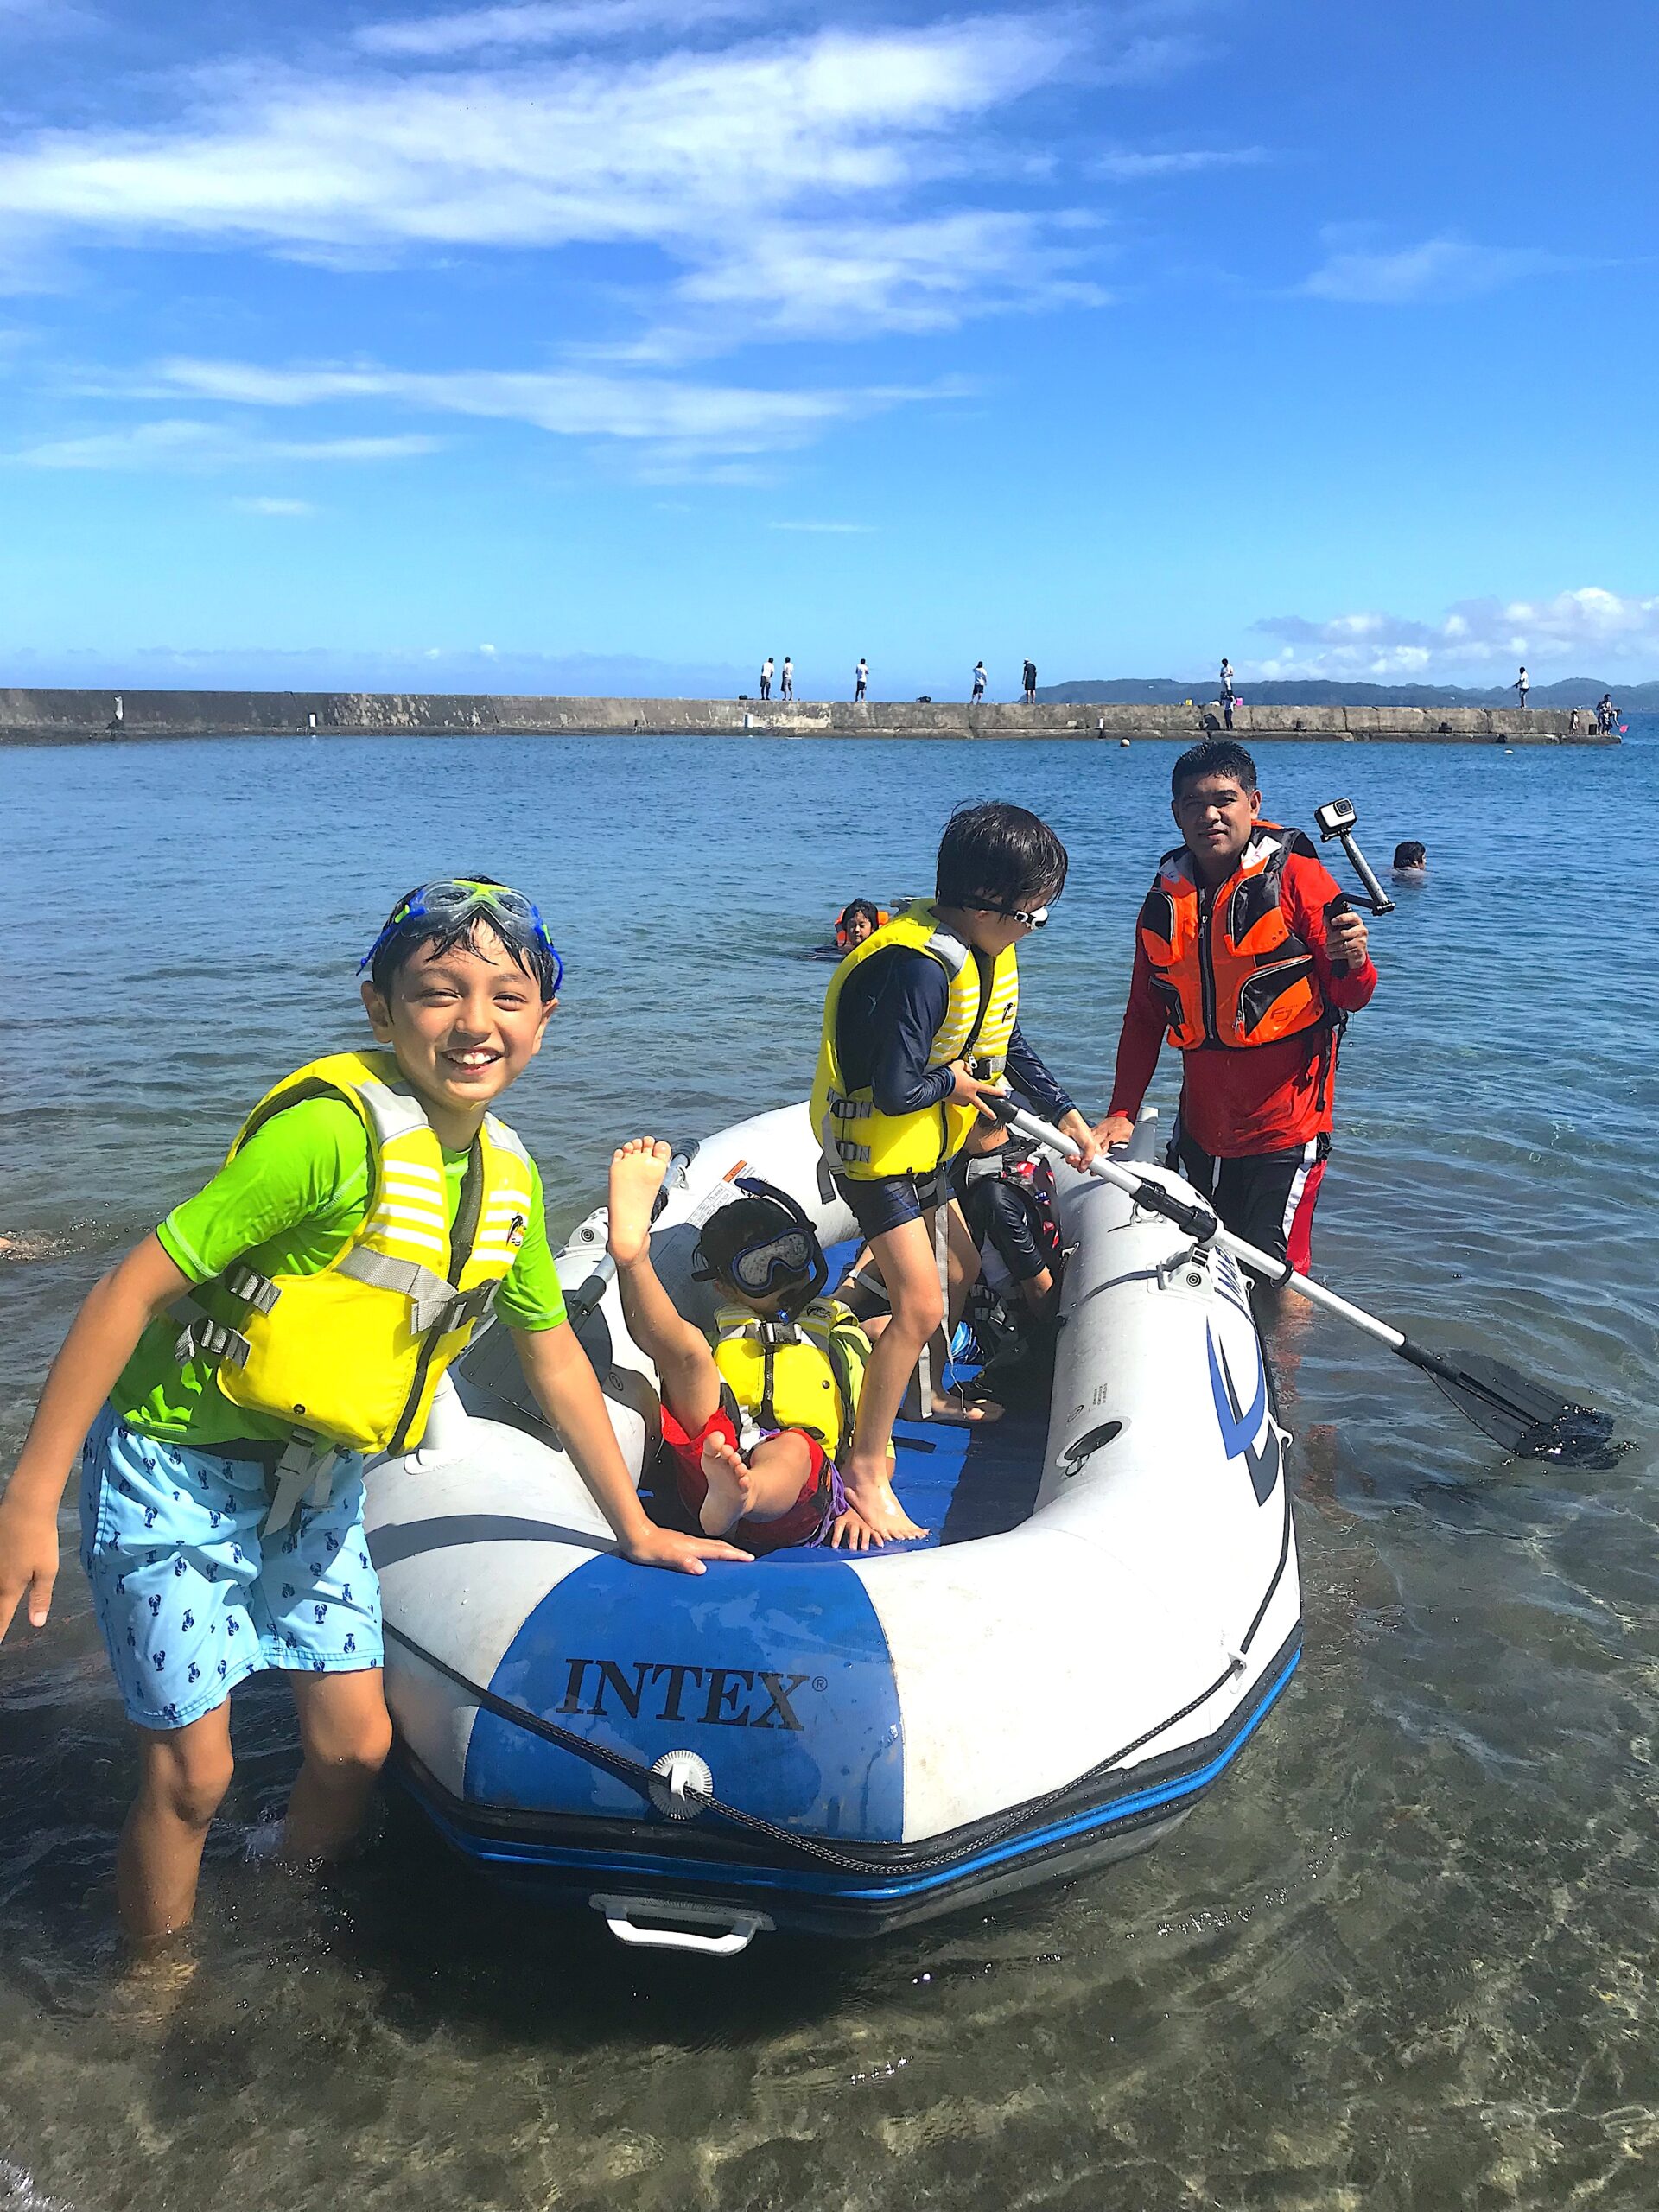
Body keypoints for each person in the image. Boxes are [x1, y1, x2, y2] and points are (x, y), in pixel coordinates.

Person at [0, 878, 741, 1945]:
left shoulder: (512, 1180)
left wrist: (634, 1525)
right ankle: (151, 1984)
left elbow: (557, 1368)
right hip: (176, 1464)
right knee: (196, 1773)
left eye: (506, 996)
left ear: (545, 1018)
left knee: (353, 1750)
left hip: (315, 1485)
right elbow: (131, 1287)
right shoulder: (328, 1141)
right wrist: (32, 1500)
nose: (473, 1022)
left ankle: (274, 1897)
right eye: (438, 993)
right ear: (379, 1008)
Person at [810, 803, 1103, 1539]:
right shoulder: (917, 969)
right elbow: (895, 1087)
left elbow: (1004, 1034)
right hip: (878, 1157)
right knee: (918, 1305)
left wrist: (1062, 1108)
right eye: (1032, 917)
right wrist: (960, 1088)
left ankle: (927, 1391)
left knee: (962, 1264)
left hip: (924, 1149)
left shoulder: (974, 951)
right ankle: (864, 1475)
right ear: (983, 905)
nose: (1033, 930)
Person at [1095, 743, 1377, 1278]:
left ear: (1253, 802)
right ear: (1176, 812)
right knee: (1186, 1253)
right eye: (1193, 803)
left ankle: (1284, 1359)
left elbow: (1351, 995)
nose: (1210, 816)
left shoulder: (1298, 879)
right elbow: (1144, 1014)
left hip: (1286, 1131)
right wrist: (1122, 1109)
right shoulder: (1165, 892)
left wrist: (1357, 960)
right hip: (1200, 1127)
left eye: (1225, 800)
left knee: (1280, 1271)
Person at [606, 1141, 889, 1551]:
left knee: (792, 1447)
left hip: (802, 1492)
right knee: (690, 1358)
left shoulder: (836, 1330)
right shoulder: (721, 1330)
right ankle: (632, 1257)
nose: (782, 1275)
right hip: (716, 1457)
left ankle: (746, 1492)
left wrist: (853, 1505)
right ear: (725, 1287)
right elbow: (682, 1359)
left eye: (792, 1254)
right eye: (758, 1268)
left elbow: (875, 1438)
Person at [1219, 658, 1236, 731]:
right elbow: (1220, 675)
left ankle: (1230, 727)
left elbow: (1232, 673)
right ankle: (1228, 727)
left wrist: (1227, 674)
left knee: (1228, 717)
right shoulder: (1222, 668)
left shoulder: (1230, 667)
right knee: (1226, 717)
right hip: (1223, 678)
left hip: (1227, 678)